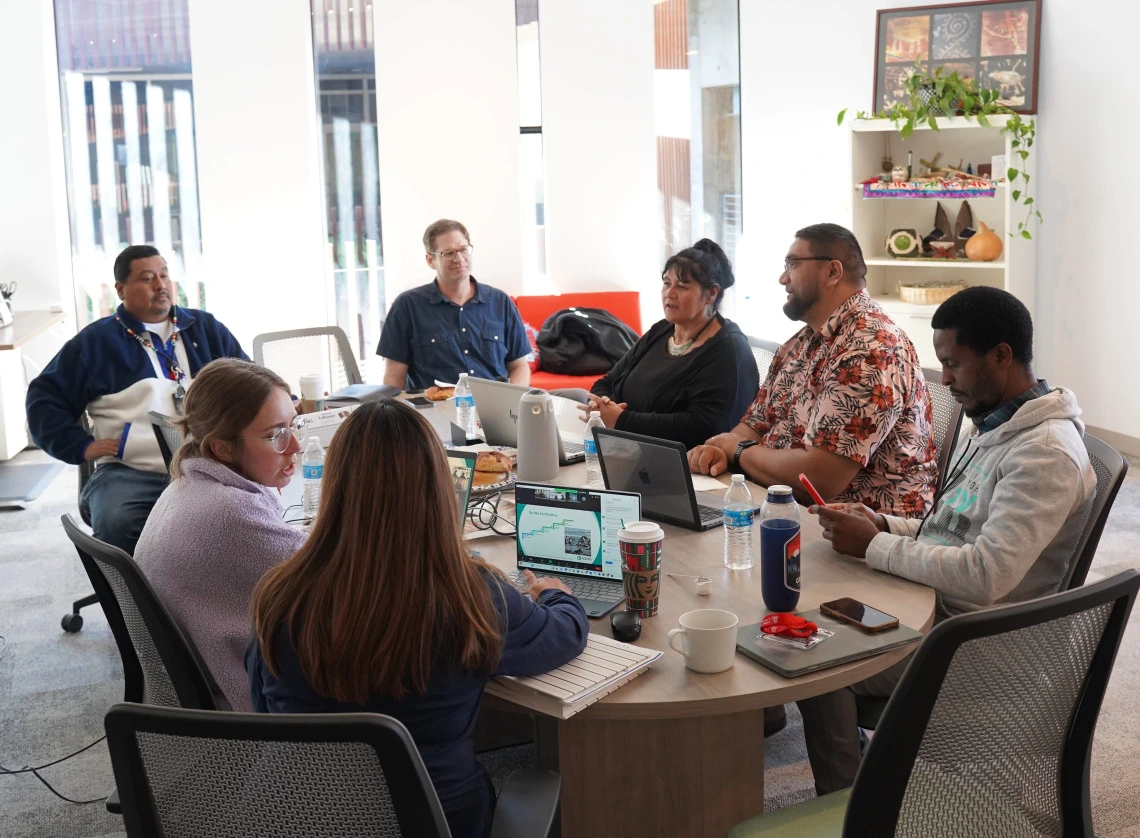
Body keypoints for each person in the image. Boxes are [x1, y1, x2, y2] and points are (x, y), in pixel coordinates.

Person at [797, 286, 1097, 796]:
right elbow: (951, 530)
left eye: (954, 363)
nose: (945, 378)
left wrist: (874, 546)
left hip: (978, 644)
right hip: (936, 611)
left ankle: (851, 810)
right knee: (804, 617)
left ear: (1001, 356)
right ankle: (863, 787)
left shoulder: (1044, 455)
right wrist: (883, 524)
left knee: (815, 663)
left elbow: (984, 576)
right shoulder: (995, 424)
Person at [246, 399, 588, 838]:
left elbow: (263, 710)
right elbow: (562, 638)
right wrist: (559, 598)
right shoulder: (470, 595)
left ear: (336, 485)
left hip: (305, 820)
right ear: (438, 485)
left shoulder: (278, 594)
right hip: (438, 823)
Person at [687, 223, 936, 515]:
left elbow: (819, 479)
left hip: (856, 531)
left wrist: (738, 451)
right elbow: (756, 423)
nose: (782, 278)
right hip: (780, 504)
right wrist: (719, 449)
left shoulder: (870, 348)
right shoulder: (804, 340)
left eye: (792, 264)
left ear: (832, 272)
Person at [26, 245, 247, 554]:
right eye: (147, 278)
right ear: (121, 289)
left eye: (164, 275)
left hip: (210, 462)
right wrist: (81, 445)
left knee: (251, 514)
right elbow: (44, 398)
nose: (160, 285)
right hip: (131, 470)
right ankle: (138, 603)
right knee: (117, 520)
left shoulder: (204, 328)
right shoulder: (96, 342)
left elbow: (249, 382)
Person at [135, 359, 305, 711]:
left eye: (293, 425)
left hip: (201, 688)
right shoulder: (232, 513)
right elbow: (342, 576)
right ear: (221, 448)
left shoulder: (189, 485)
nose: (295, 447)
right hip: (238, 702)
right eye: (276, 435)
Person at [578, 239, 759, 451]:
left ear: (711, 293)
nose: (669, 293)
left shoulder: (729, 349)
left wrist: (621, 420)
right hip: (627, 449)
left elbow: (705, 427)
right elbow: (607, 382)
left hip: (687, 465)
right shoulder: (662, 330)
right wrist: (602, 407)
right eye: (666, 283)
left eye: (682, 286)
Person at [377, 219, 532, 391]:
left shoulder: (500, 302)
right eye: (448, 253)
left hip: (493, 410)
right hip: (432, 411)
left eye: (463, 250)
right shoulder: (407, 306)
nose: (459, 258)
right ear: (430, 260)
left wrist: (510, 402)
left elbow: (519, 366)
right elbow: (393, 377)